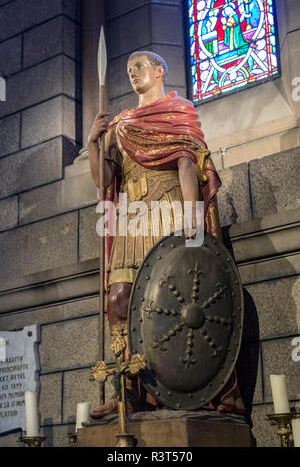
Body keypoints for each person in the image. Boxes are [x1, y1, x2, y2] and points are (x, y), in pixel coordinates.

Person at [87, 51, 245, 418]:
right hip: (132, 221)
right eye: (128, 70)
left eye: (139, 67)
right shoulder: (120, 125)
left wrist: (193, 220)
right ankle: (127, 389)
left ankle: (199, 386)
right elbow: (104, 181)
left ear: (160, 72)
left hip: (169, 214)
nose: (132, 74)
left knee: (185, 302)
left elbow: (188, 162)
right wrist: (94, 142)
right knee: (119, 301)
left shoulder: (179, 114)